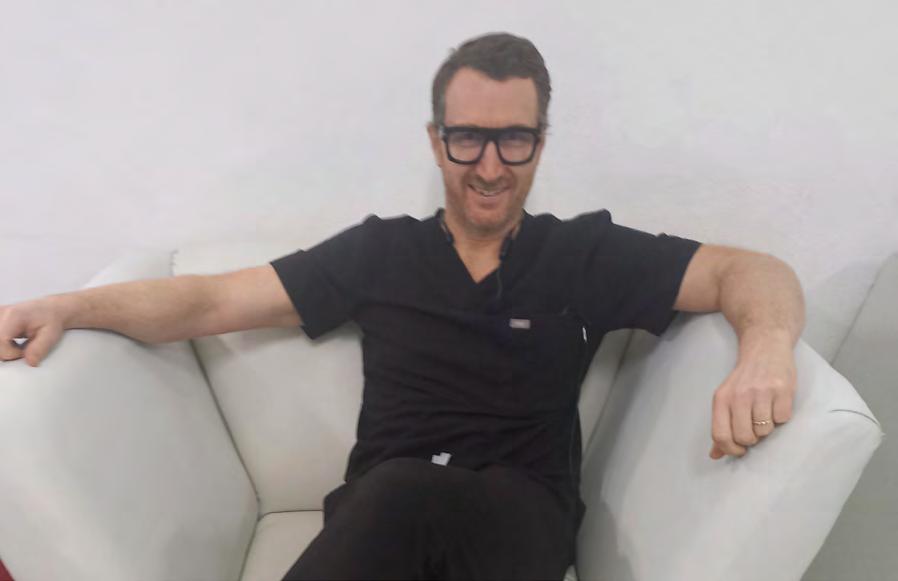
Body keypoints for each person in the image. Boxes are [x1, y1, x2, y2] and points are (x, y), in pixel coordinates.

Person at [0, 32, 806, 581]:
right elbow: (209, 298)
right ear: (435, 140)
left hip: (518, 518)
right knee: (395, 493)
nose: (489, 166)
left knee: (406, 492)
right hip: (380, 522)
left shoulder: (583, 253)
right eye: (468, 138)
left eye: (514, 139)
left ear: (540, 143)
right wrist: (68, 304)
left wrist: (766, 349)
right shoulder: (380, 252)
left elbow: (750, 270)